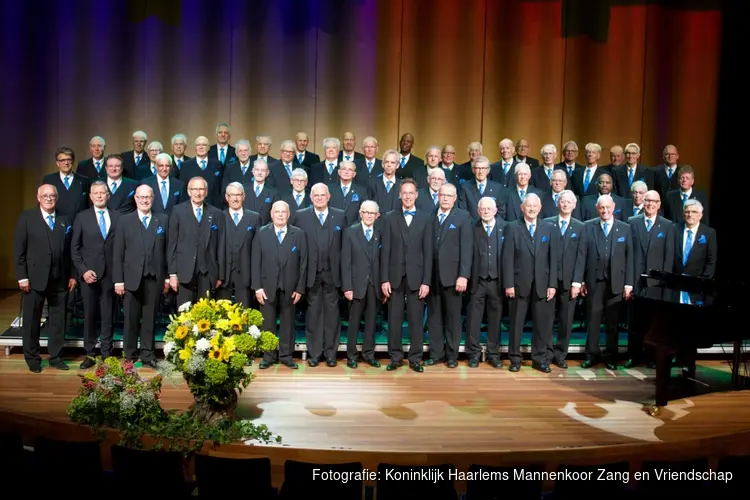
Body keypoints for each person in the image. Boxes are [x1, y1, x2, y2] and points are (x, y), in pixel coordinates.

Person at [14, 184, 76, 372]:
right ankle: (32, 358)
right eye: (45, 196)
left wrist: (72, 274)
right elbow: (19, 250)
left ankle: (55, 357)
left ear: (56, 198)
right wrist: (22, 277)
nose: (49, 199)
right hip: (33, 280)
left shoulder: (64, 219)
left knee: (58, 321)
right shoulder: (27, 218)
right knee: (32, 321)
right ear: (38, 197)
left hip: (60, 279)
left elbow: (70, 250)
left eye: (52, 196)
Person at [113, 185, 170, 368]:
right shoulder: (124, 221)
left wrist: (167, 277)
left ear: (153, 198)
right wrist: (118, 280)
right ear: (135, 199)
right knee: (130, 318)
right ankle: (129, 355)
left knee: (150, 319)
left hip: (154, 278)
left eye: (148, 197)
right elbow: (118, 252)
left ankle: (148, 354)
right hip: (131, 278)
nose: (145, 200)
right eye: (141, 197)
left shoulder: (162, 220)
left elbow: (167, 251)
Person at [381, 179, 433, 372]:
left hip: (417, 277)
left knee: (416, 320)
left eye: (411, 192)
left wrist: (426, 281)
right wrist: (384, 278)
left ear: (417, 195)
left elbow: (428, 253)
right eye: (405, 192)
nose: (408, 196)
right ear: (400, 195)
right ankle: (395, 357)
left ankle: (415, 358)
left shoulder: (426, 218)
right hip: (394, 277)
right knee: (394, 320)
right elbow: (384, 250)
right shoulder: (389, 217)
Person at [502, 193, 558, 373]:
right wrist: (508, 283)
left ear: (540, 208)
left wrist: (552, 284)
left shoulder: (549, 228)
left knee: (542, 325)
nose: (532, 209)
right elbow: (507, 258)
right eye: (528, 206)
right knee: (516, 324)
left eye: (535, 206)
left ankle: (540, 359)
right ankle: (515, 359)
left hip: (543, 285)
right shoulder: (512, 227)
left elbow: (553, 259)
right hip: (519, 284)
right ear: (522, 208)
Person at [293, 183, 345, 367]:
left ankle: (331, 354)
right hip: (310, 273)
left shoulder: (340, 215)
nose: (320, 198)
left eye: (323, 195)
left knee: (332, 314)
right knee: (313, 314)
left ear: (329, 196)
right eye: (316, 195)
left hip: (333, 273)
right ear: (311, 197)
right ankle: (315, 353)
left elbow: (344, 248)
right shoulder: (300, 216)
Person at [580, 195, 635, 369]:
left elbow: (630, 258)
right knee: (593, 321)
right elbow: (582, 255)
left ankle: (611, 356)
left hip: (616, 283)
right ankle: (592, 355)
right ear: (597, 208)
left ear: (614, 207)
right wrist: (580, 280)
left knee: (613, 323)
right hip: (594, 282)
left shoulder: (625, 229)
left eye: (607, 207)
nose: (605, 211)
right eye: (601, 208)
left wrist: (628, 284)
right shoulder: (588, 227)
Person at [252, 201, 307, 369]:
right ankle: (268, 356)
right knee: (267, 323)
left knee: (288, 323)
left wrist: (300, 288)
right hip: (267, 288)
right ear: (271, 214)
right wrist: (258, 287)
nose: (281, 215)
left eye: (284, 212)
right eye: (277, 212)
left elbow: (304, 263)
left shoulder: (298, 234)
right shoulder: (261, 233)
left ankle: (286, 355)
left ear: (289, 214)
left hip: (290, 288)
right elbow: (255, 262)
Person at [71, 180, 121, 368]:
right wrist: (83, 271)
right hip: (89, 276)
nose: (100, 196)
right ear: (91, 196)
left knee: (108, 315)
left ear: (108, 195)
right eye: (96, 193)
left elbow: (121, 248)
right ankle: (90, 354)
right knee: (90, 315)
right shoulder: (81, 218)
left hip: (110, 275)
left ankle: (106, 353)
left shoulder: (118, 217)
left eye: (103, 193)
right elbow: (74, 249)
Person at [425, 183, 473, 368]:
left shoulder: (463, 217)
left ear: (454, 198)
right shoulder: (430, 215)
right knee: (434, 317)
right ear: (437, 196)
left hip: (454, 277)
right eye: (442, 195)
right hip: (432, 277)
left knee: (453, 318)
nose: (445, 198)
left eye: (449, 195)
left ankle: (452, 355)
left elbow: (467, 249)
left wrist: (463, 275)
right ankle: (436, 354)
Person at [168, 177, 225, 306]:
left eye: (201, 189)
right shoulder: (178, 211)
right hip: (184, 271)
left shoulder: (216, 213)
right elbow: (172, 244)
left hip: (207, 271)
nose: (198, 193)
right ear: (189, 191)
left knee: (205, 313)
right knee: (184, 314)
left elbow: (221, 246)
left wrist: (220, 274)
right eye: (194, 189)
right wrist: (172, 273)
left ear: (206, 192)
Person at [545, 190, 586, 369]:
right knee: (546, 319)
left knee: (566, 320)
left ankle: (561, 354)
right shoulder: (546, 224)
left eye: (569, 202)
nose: (566, 204)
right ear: (557, 203)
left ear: (574, 205)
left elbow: (581, 256)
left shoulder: (581, 227)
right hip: (549, 281)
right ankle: (546, 353)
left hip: (570, 283)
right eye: (563, 201)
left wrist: (577, 282)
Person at [465, 197, 506, 368]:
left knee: (495, 319)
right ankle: (473, 354)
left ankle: (493, 353)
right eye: (483, 209)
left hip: (497, 281)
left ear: (496, 210)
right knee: (473, 318)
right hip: (477, 281)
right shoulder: (471, 228)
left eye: (489, 208)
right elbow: (466, 255)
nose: (486, 211)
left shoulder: (506, 227)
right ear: (478, 211)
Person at [341, 200, 382, 368]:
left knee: (372, 321)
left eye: (372, 213)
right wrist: (347, 287)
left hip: (374, 286)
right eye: (366, 212)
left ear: (377, 216)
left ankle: (368, 353)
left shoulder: (381, 232)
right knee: (354, 322)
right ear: (360, 213)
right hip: (356, 286)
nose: (368, 216)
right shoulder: (351, 232)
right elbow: (345, 262)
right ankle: (351, 355)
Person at [217, 182, 261, 308]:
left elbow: (257, 249)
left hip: (246, 274)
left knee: (245, 314)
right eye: (232, 195)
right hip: (223, 275)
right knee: (222, 316)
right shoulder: (219, 216)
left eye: (238, 195)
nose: (235, 198)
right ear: (226, 197)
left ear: (244, 196)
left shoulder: (254, 218)